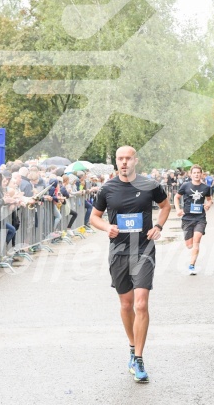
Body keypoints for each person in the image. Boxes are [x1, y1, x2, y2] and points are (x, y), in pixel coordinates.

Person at [90, 146, 170, 383]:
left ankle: (139, 358)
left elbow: (165, 206)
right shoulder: (107, 188)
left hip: (143, 250)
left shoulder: (150, 185)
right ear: (116, 162)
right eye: (120, 159)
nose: (124, 162)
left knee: (141, 304)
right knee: (126, 305)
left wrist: (158, 227)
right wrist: (107, 227)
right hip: (118, 252)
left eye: (128, 158)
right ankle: (132, 345)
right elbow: (94, 217)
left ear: (136, 160)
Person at [174, 164, 213, 275]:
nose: (196, 174)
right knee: (189, 245)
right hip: (187, 218)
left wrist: (208, 205)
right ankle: (190, 251)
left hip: (200, 218)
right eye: (194, 173)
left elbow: (210, 200)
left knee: (197, 240)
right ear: (191, 174)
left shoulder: (205, 187)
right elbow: (176, 197)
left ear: (201, 174)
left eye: (198, 173)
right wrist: (178, 209)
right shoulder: (185, 186)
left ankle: (191, 266)